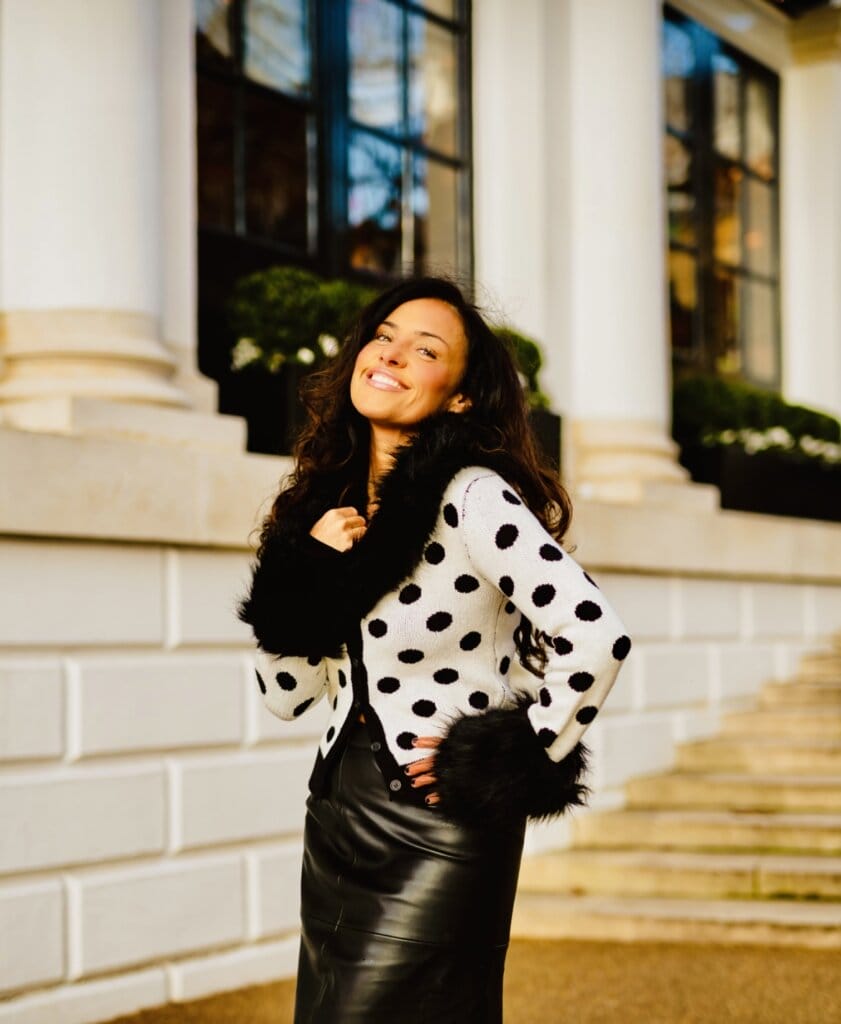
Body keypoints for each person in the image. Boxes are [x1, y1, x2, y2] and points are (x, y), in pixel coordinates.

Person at [239, 276, 631, 1023]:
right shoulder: (325, 508)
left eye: (425, 350)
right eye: (382, 336)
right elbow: (285, 694)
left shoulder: (473, 496)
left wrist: (511, 750)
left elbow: (595, 632)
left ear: (458, 396)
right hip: (338, 806)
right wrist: (304, 570)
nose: (390, 354)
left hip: (441, 814)